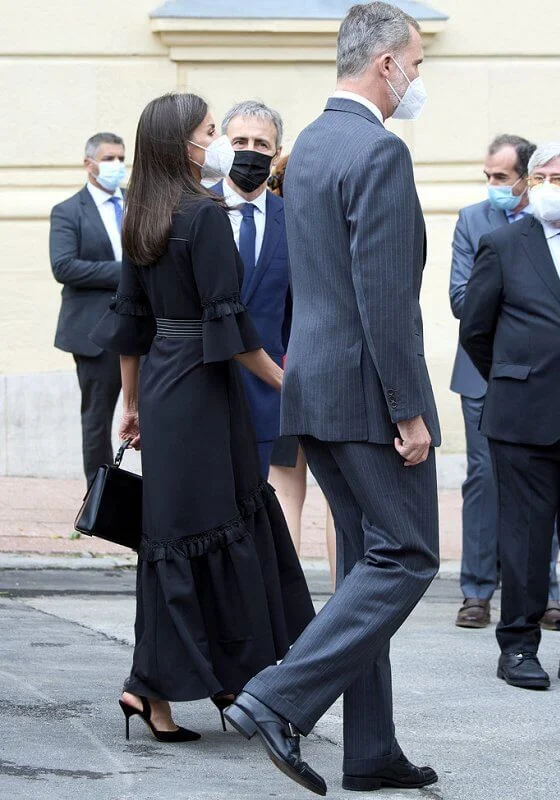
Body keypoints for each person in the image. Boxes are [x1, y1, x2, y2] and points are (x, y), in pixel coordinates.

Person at [225, 3, 440, 794]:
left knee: (363, 567)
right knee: (410, 554)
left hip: (313, 388)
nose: (417, 79)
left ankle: (371, 750)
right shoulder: (377, 152)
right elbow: (381, 297)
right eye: (415, 65)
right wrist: (408, 409)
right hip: (365, 395)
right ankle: (279, 698)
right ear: (385, 64)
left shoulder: (309, 143)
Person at [90, 93, 315, 740]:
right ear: (184, 144)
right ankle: (186, 683)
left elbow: (131, 323)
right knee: (223, 527)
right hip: (206, 388)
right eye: (212, 132)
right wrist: (286, 382)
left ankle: (169, 688)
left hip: (163, 382)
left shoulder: (141, 215)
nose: (221, 143)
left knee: (172, 538)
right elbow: (234, 326)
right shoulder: (205, 215)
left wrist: (131, 404)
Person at [460, 142, 560, 690]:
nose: (547, 186)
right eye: (540, 177)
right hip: (524, 415)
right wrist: (515, 373)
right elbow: (476, 330)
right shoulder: (502, 244)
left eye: (558, 177)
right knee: (523, 535)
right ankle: (519, 646)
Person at [267, 155, 337, 585]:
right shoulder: (336, 227)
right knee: (339, 499)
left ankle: (289, 612)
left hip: (282, 371)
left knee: (286, 493)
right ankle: (344, 610)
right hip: (332, 372)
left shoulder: (272, 231)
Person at [211, 101, 291, 479]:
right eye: (239, 141)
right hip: (202, 383)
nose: (250, 151)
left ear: (276, 153)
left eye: (261, 144)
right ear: (223, 148)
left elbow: (297, 307)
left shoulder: (294, 220)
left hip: (266, 389)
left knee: (257, 507)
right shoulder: (193, 210)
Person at [49, 132, 126, 486]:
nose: (116, 166)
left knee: (156, 415)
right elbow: (63, 266)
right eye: (109, 158)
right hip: (95, 334)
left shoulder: (136, 204)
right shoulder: (68, 211)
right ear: (89, 164)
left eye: (121, 158)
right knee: (97, 420)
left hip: (143, 328)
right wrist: (126, 272)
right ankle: (98, 500)